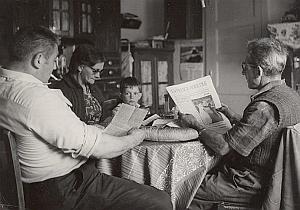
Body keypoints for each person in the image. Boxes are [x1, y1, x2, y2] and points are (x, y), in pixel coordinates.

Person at [0, 26, 172, 210]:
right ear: (39, 59)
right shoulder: (36, 97)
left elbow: (61, 128)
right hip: (66, 190)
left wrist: (95, 128)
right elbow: (99, 148)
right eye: (53, 61)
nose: (54, 66)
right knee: (159, 201)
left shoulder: (6, 88)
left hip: (36, 188)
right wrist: (136, 137)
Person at [179, 37, 300, 209]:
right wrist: (234, 116)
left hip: (250, 182)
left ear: (258, 71)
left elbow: (222, 147)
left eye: (245, 67)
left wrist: (195, 125)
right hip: (274, 176)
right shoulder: (292, 95)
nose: (243, 73)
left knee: (185, 189)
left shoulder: (263, 108)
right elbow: (265, 131)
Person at [50, 44, 106, 125]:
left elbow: (103, 108)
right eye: (95, 71)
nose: (98, 76)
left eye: (100, 71)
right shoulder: (62, 90)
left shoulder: (91, 87)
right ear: (80, 67)